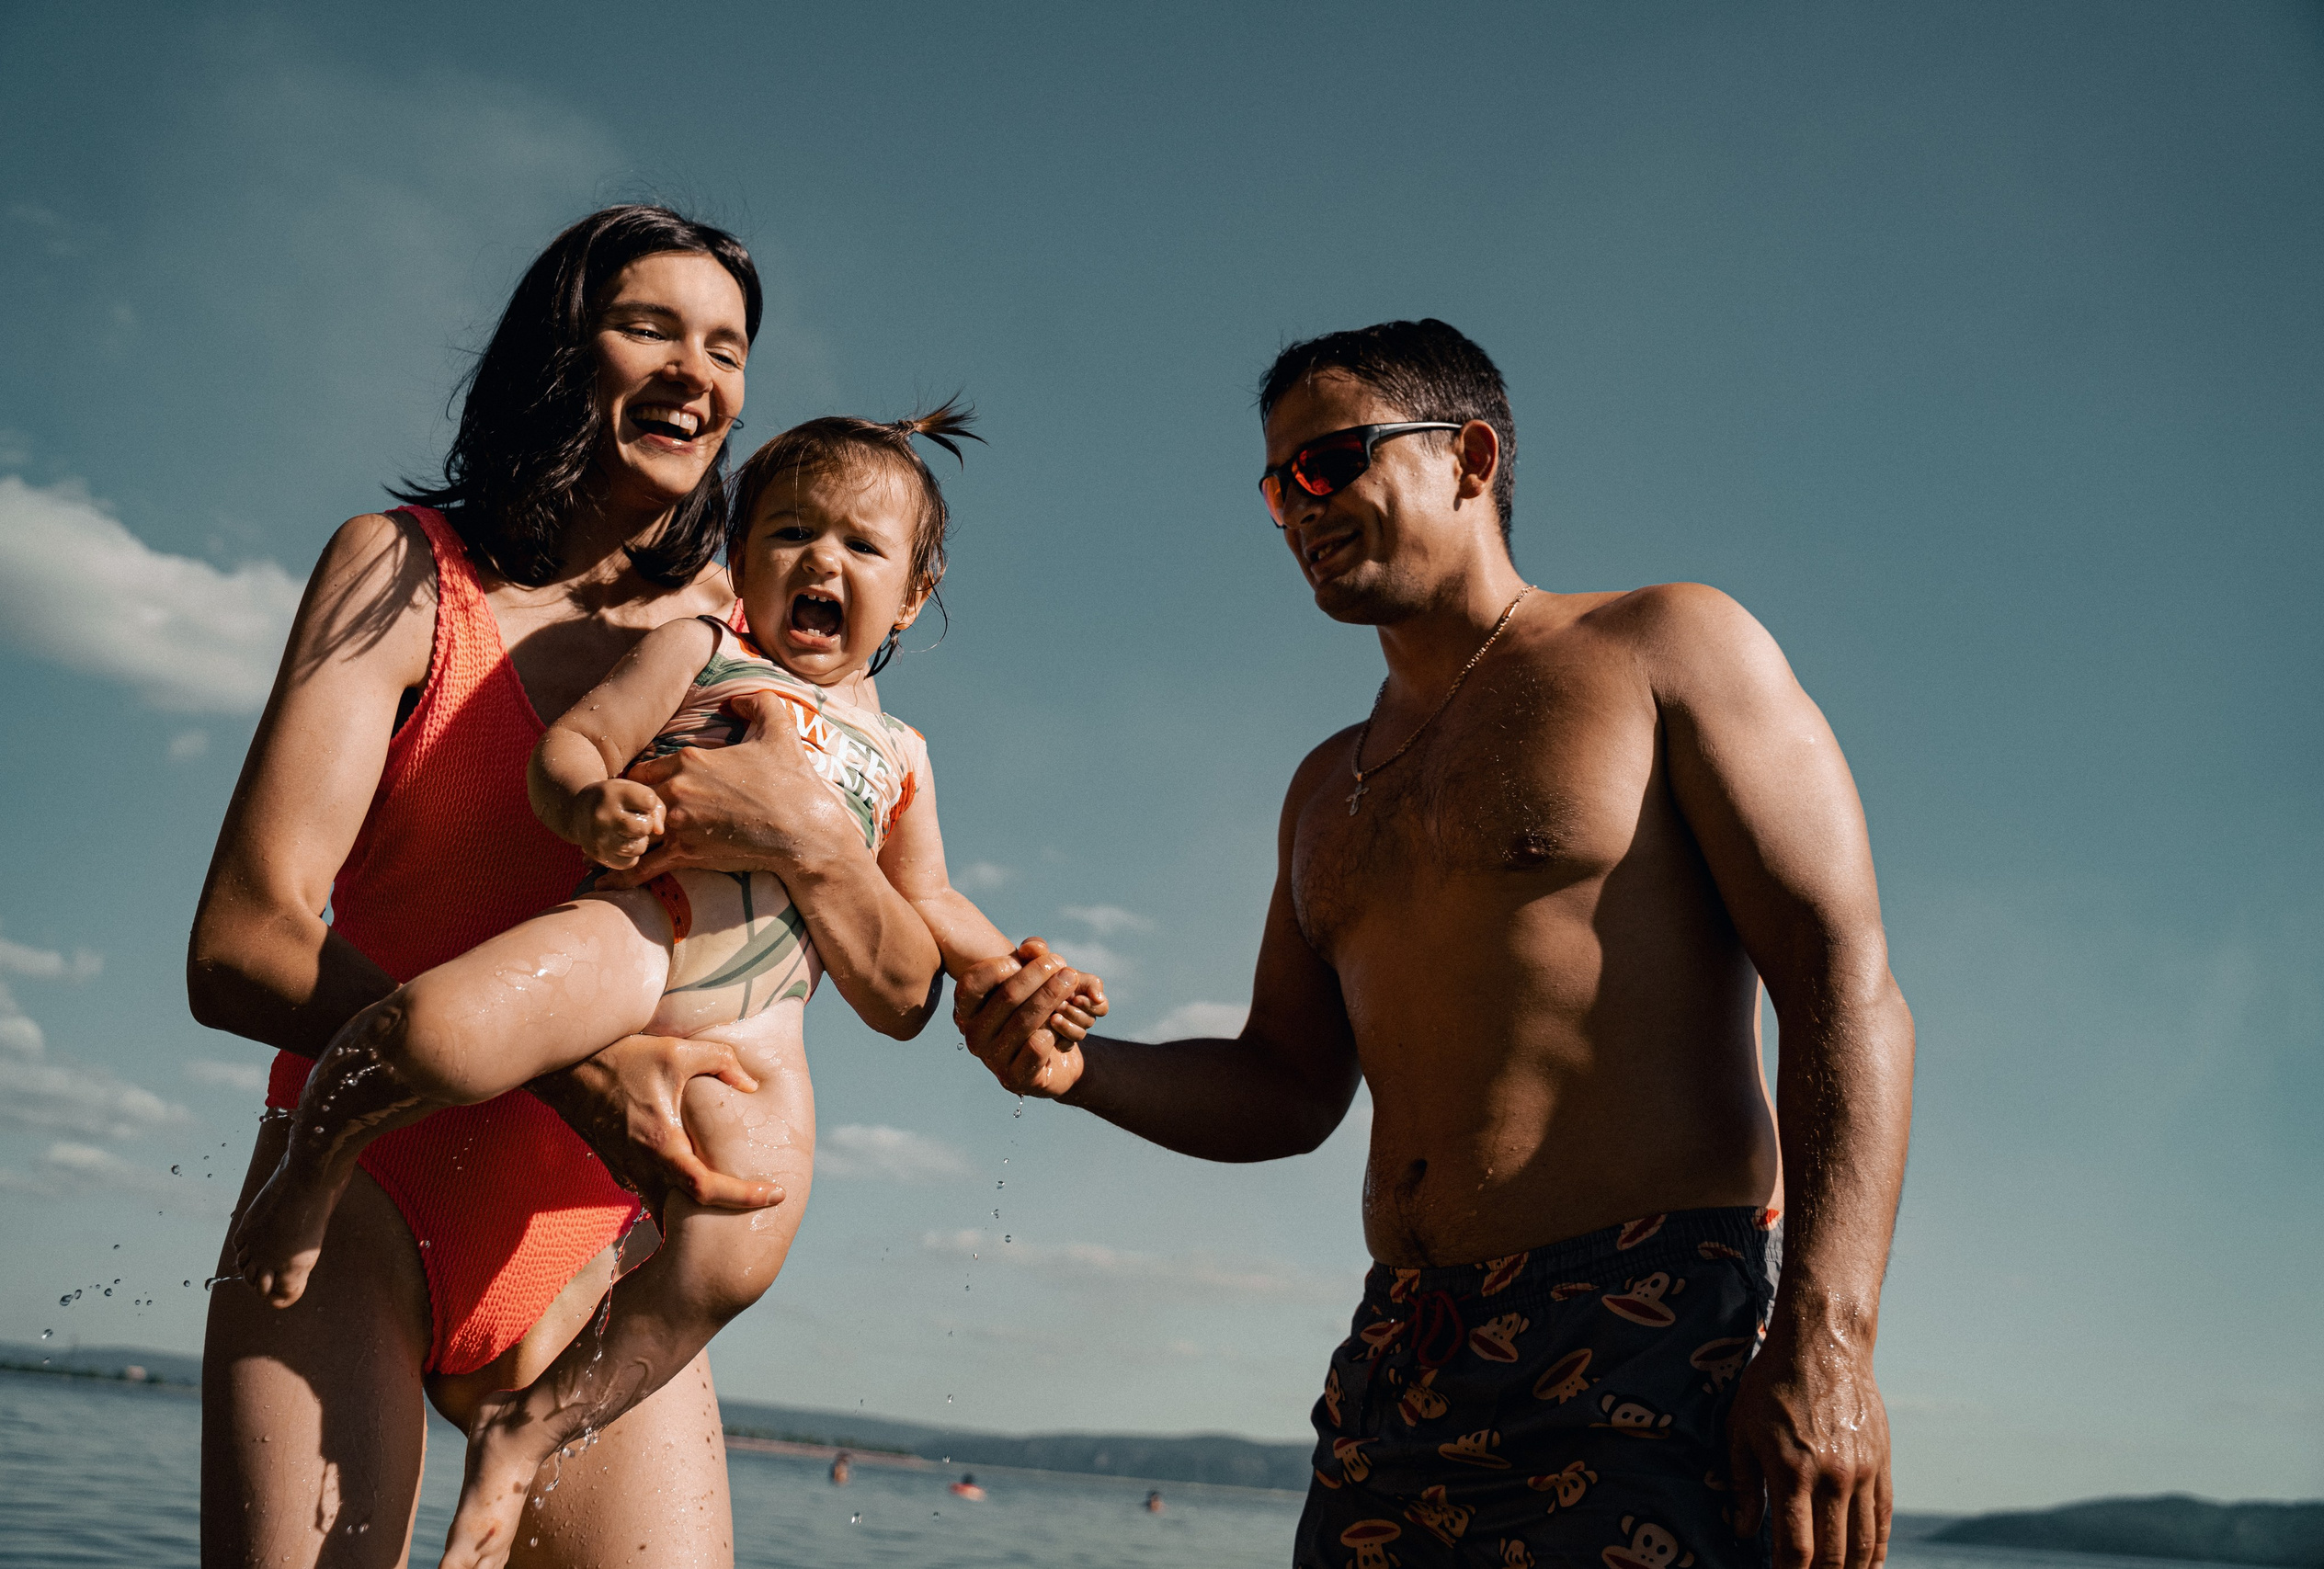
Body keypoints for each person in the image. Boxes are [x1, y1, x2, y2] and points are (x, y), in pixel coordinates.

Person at [957, 319, 1915, 1569]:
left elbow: (1845, 987)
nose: (1298, 507)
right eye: (1274, 485)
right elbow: (1289, 1087)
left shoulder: (1663, 649)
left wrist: (1827, 1340)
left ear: (1468, 456)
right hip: (1402, 1363)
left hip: (1650, 1337)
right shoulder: (1324, 787)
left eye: (1330, 463)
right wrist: (1075, 1070)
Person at [186, 204, 989, 1569]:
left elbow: (892, 964)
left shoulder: (759, 644)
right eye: (649, 327)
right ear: (563, 353)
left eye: (728, 347)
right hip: (367, 1199)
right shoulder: (400, 574)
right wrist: (564, 1076)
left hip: (595, 1253)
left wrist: (825, 844)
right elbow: (238, 948)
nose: (698, 372)